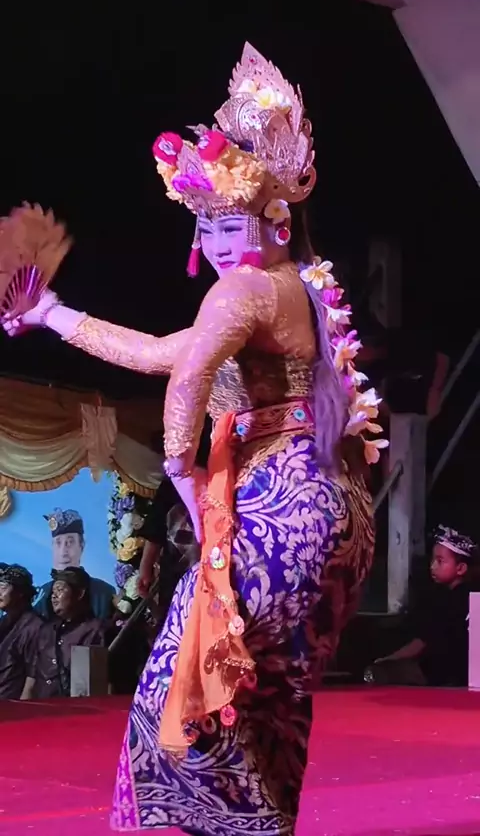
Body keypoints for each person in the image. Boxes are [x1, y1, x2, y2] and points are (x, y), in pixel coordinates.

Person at [2, 43, 385, 835]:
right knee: (265, 701)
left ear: (276, 222)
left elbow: (185, 384)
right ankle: (258, 824)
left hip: (272, 513)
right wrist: (51, 315)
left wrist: (184, 480)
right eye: (206, 227)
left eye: (231, 224)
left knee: (181, 692)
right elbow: (156, 352)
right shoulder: (297, 290)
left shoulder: (245, 288)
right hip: (332, 518)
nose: (217, 245)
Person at [368, 525, 477, 687]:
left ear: (461, 568)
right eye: (432, 560)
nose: (432, 566)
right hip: (462, 674)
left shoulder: (450, 601)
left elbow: (422, 642)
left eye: (440, 561)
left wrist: (389, 659)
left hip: (445, 674)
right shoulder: (459, 595)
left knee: (378, 672)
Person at [23, 566, 107, 699]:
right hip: (40, 707)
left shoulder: (95, 630)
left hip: (73, 708)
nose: (53, 596)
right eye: (53, 591)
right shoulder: (46, 630)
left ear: (79, 594)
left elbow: (105, 683)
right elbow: (31, 680)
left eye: (60, 590)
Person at [35, 508, 115, 621]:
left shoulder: (103, 592)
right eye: (58, 543)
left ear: (81, 545)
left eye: (70, 542)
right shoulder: (42, 594)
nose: (63, 551)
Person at [0, 564, 43, 699]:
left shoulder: (35, 627)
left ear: (20, 592)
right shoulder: (4, 622)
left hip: (12, 703)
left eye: (3, 587)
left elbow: (32, 678)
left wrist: (23, 707)